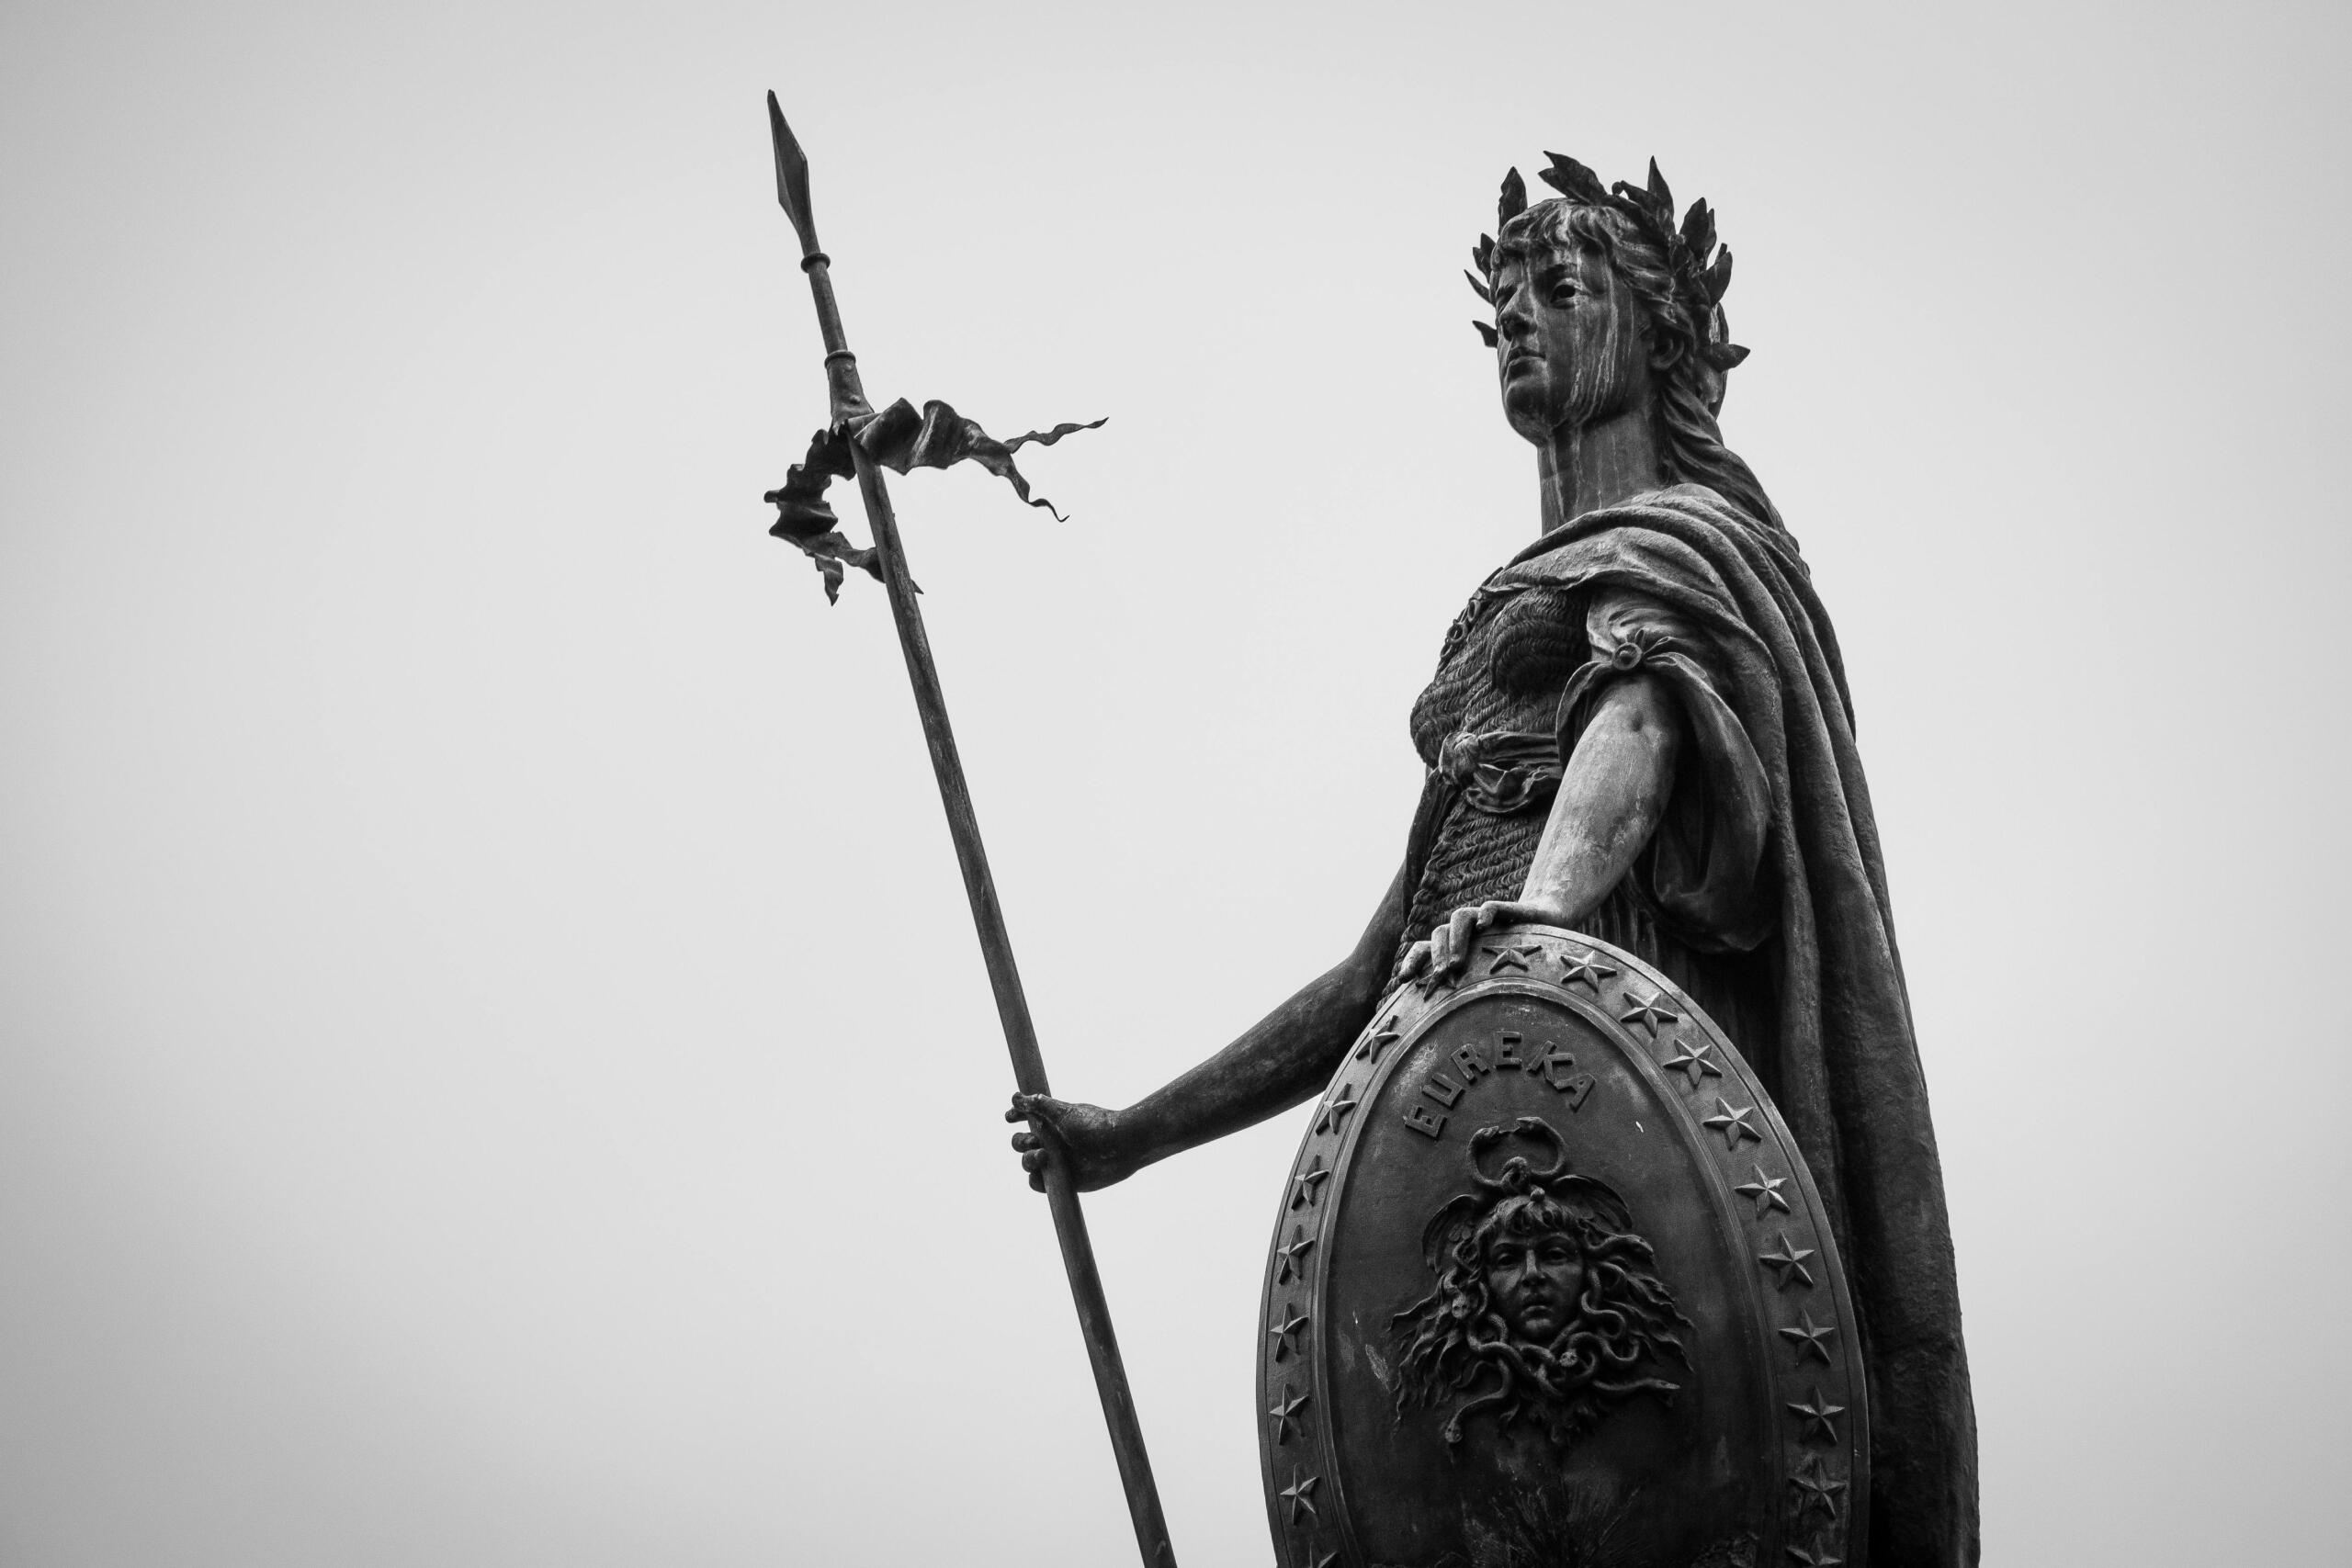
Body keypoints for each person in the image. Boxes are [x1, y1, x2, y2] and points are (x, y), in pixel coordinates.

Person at [1006, 154, 1979, 1568]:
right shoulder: (1497, 633)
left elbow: (1642, 719)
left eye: (1560, 288)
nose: (1521, 316)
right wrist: (1131, 1137)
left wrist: (1547, 913)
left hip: (1626, 1033)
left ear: (1650, 335)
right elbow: (1372, 979)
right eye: (1507, 297)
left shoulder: (1689, 551)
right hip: (1493, 1084)